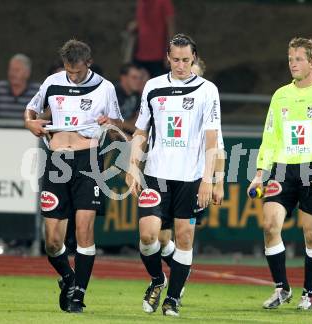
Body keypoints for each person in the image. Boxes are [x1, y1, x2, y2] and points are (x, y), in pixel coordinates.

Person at [126, 34, 221, 317]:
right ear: (168, 58)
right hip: (156, 175)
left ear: (194, 57)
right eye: (175, 59)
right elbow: (141, 131)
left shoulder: (207, 90)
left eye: (185, 59)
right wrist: (133, 167)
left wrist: (208, 179)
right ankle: (158, 280)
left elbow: (212, 140)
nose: (180, 65)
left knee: (184, 236)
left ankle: (173, 298)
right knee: (148, 236)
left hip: (190, 177)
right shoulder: (153, 87)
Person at [247, 37, 312, 311]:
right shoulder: (280, 95)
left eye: (299, 59)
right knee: (269, 226)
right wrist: (259, 173)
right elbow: (269, 136)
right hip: (282, 169)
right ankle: (282, 289)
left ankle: (309, 295)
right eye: (290, 59)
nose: (293, 64)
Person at [24, 39, 123, 313]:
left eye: (77, 71)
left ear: (88, 63)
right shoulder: (52, 82)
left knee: (83, 230)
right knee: (53, 240)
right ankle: (68, 278)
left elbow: (117, 126)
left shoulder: (105, 88)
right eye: (69, 70)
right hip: (57, 160)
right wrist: (30, 122)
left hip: (87, 160)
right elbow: (31, 110)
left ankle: (79, 293)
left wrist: (109, 124)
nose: (73, 75)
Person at [156, 57, 225, 304]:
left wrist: (217, 182)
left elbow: (218, 148)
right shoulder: (165, 98)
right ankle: (180, 269)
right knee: (160, 238)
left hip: (193, 179)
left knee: (184, 235)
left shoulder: (206, 101)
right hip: (165, 176)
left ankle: (175, 287)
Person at [127, 0, 175, 78]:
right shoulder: (141, 2)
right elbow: (141, 22)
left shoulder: (164, 2)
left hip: (158, 58)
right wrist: (135, 26)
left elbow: (171, 29)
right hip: (139, 56)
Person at [115, 63, 143, 136]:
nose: (138, 81)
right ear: (123, 78)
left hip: (126, 133)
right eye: (134, 77)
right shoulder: (114, 93)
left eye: (140, 78)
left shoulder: (136, 95)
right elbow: (113, 121)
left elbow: (136, 119)